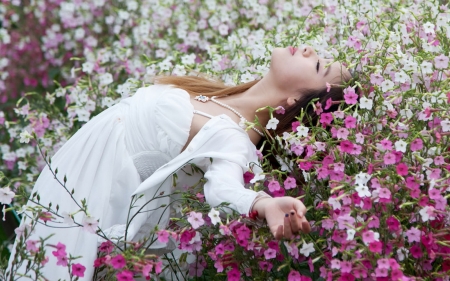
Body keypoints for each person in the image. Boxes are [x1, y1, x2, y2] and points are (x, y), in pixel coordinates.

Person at [7, 45, 352, 280]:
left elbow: (225, 187)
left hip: (89, 199)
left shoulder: (234, 136)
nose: (309, 50)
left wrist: (262, 203)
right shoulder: (219, 95)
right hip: (71, 180)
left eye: (318, 65)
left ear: (295, 100)